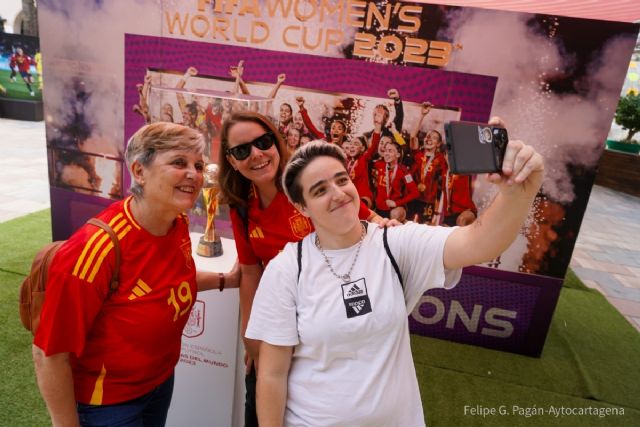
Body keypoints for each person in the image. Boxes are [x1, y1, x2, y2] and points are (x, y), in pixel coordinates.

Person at [245, 124, 544, 426]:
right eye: (320, 190)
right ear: (302, 207)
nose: (338, 194)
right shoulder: (287, 268)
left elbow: (478, 243)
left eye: (341, 180)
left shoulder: (394, 244)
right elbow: (272, 374)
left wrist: (517, 193)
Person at [32, 122, 240, 427]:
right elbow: (48, 352)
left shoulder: (176, 223)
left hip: (159, 384)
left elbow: (169, 284)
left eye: (198, 164)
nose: (194, 174)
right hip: (108, 405)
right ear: (139, 171)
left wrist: (227, 280)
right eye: (178, 163)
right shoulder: (96, 249)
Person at [217, 111, 393, 427]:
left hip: (330, 320)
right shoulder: (241, 204)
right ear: (231, 160)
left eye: (263, 142)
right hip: (280, 323)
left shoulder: (307, 182)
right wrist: (251, 337)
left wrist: (389, 226)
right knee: (262, 408)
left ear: (277, 142)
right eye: (242, 150)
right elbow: (250, 272)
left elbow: (369, 220)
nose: (256, 155)